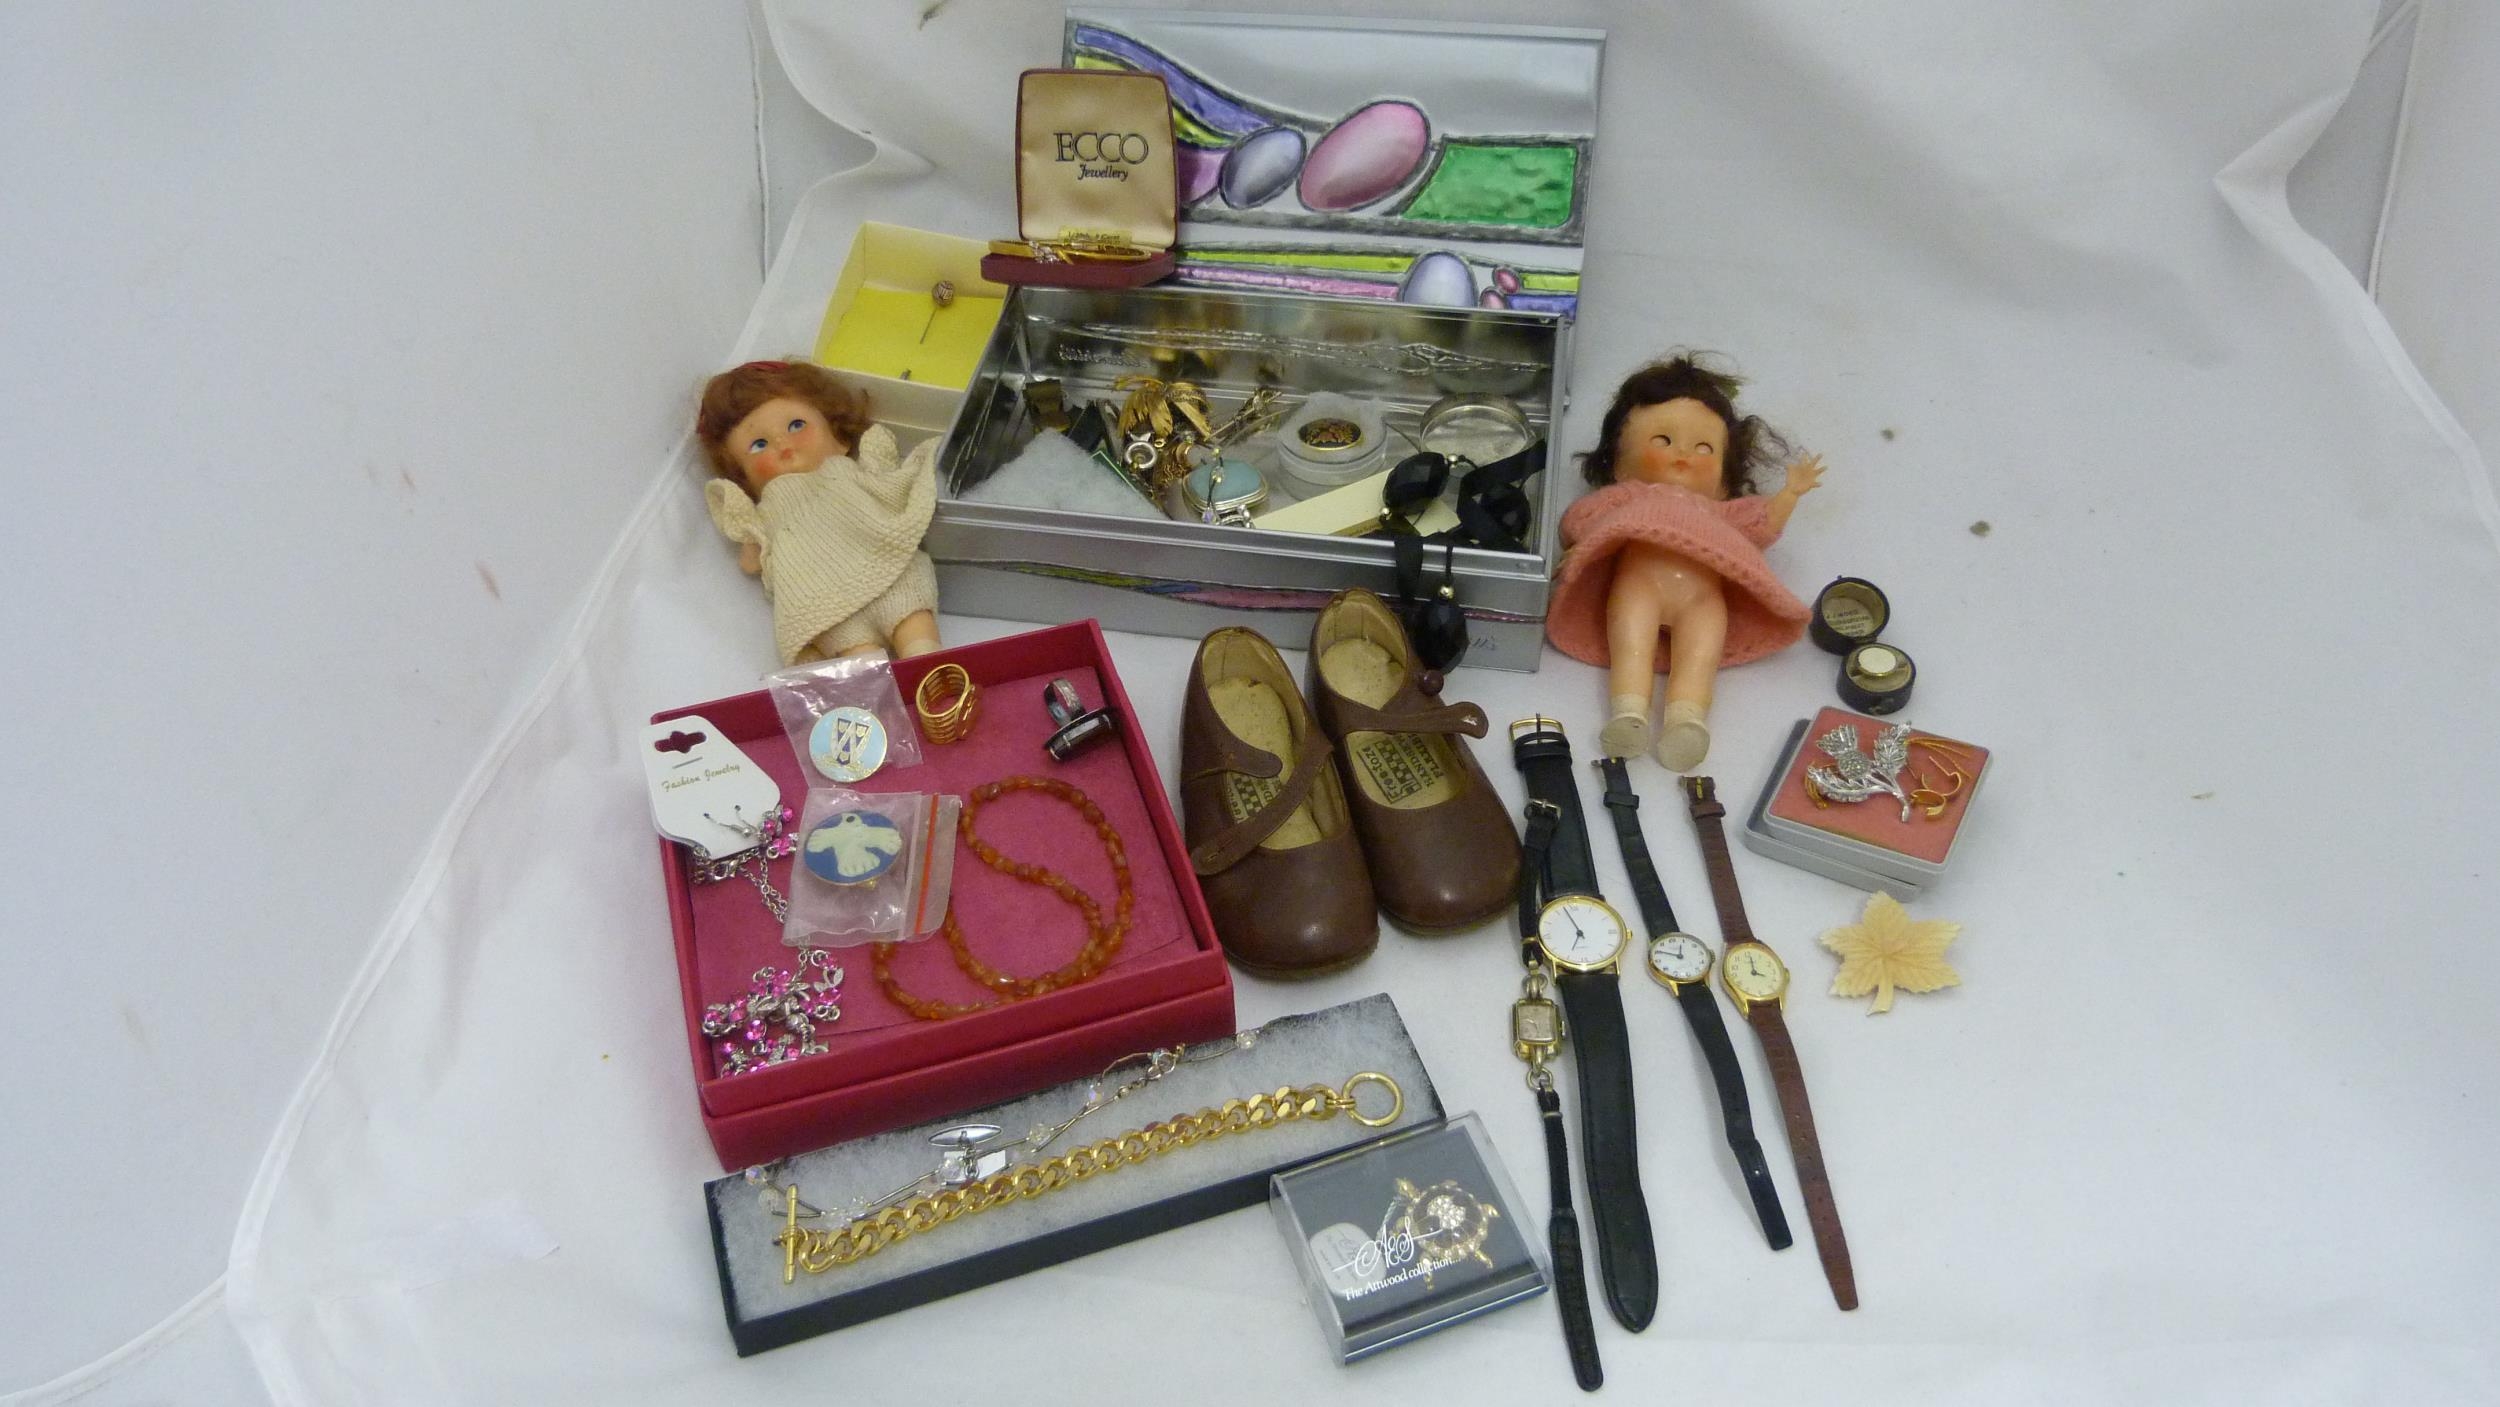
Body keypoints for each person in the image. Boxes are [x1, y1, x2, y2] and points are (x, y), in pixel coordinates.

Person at [1545, 355, 1824, 770]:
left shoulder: (1720, 513)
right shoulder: (1628, 497)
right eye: (1662, 440)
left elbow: (1761, 525)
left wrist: (1789, 494)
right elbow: (1579, 521)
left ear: (1724, 481)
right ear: (1619, 462)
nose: (1683, 455)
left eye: (1704, 448)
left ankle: (1686, 722)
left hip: (1702, 599)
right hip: (1638, 587)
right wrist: (1579, 549)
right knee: (1631, 647)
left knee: (1699, 656)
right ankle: (1629, 714)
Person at [696, 360, 942, 663]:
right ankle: (874, 682)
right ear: (746, 480)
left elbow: (891, 486)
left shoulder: (847, 470)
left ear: (840, 438)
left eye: (796, 426)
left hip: (889, 568)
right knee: (859, 656)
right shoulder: (770, 509)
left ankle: (928, 665)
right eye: (759, 445)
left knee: (913, 617)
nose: (782, 443)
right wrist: (753, 545)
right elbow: (752, 558)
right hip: (825, 604)